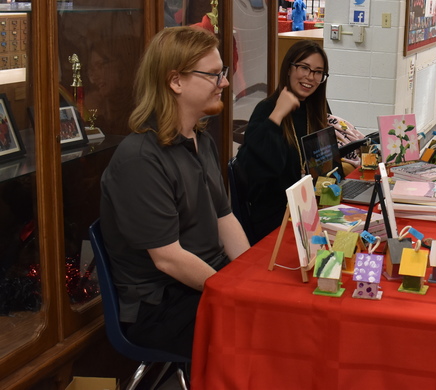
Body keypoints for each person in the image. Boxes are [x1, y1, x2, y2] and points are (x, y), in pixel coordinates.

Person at [99, 26, 250, 358]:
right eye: (214, 75)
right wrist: (233, 295)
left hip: (202, 283)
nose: (224, 82)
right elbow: (169, 260)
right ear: (175, 81)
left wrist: (250, 280)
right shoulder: (140, 159)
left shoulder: (202, 141)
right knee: (265, 337)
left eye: (222, 73)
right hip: (160, 305)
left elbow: (226, 219)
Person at [236, 40, 330, 242]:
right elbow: (255, 170)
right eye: (304, 68)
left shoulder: (316, 109)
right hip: (277, 215)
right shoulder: (267, 110)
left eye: (317, 72)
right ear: (289, 68)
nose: (310, 77)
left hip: (311, 209)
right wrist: (278, 114)